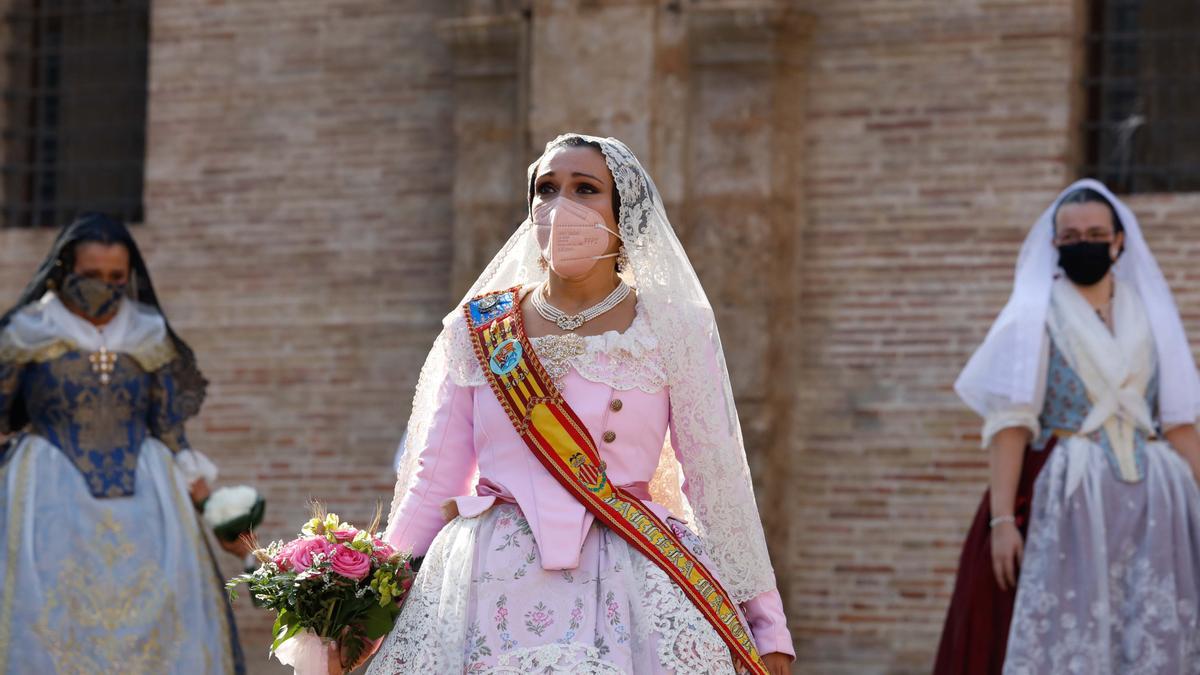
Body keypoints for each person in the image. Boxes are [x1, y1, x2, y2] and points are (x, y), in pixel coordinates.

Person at [358, 134, 794, 674]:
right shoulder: (479, 328)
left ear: (622, 213)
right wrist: (361, 604)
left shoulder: (674, 327)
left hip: (630, 575)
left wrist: (766, 625)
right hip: (487, 580)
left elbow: (714, 478)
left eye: (585, 189)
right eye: (547, 189)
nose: (560, 206)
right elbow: (432, 483)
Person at [936, 181, 1200, 674]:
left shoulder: (1152, 316)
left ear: (1119, 241)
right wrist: (1001, 521)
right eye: (1071, 235)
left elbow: (1180, 423)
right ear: (1054, 244)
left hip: (1157, 505)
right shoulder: (1034, 316)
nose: (1085, 242)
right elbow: (1011, 425)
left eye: (1096, 233)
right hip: (1069, 502)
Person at [0, 214, 245, 674]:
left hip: (151, 506)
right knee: (47, 625)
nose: (105, 286)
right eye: (91, 275)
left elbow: (171, 433)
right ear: (63, 270)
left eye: (116, 276)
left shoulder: (148, 334)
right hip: (45, 503)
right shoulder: (27, 332)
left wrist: (223, 518)